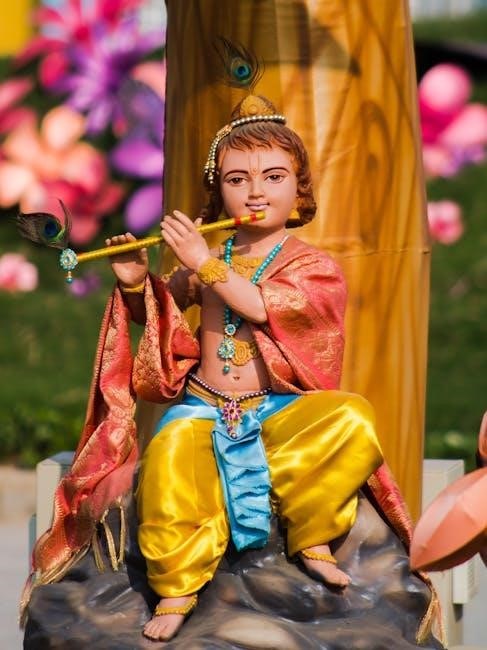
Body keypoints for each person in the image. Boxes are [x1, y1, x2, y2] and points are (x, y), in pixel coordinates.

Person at [106, 94, 384, 642]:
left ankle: (312, 536)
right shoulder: (212, 259)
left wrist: (201, 262)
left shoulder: (312, 265)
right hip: (205, 410)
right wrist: (136, 284)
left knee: (351, 419)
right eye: (238, 179)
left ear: (299, 188)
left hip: (279, 411)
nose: (256, 192)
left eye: (274, 177)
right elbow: (160, 316)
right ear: (219, 193)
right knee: (167, 457)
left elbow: (260, 305)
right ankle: (176, 587)